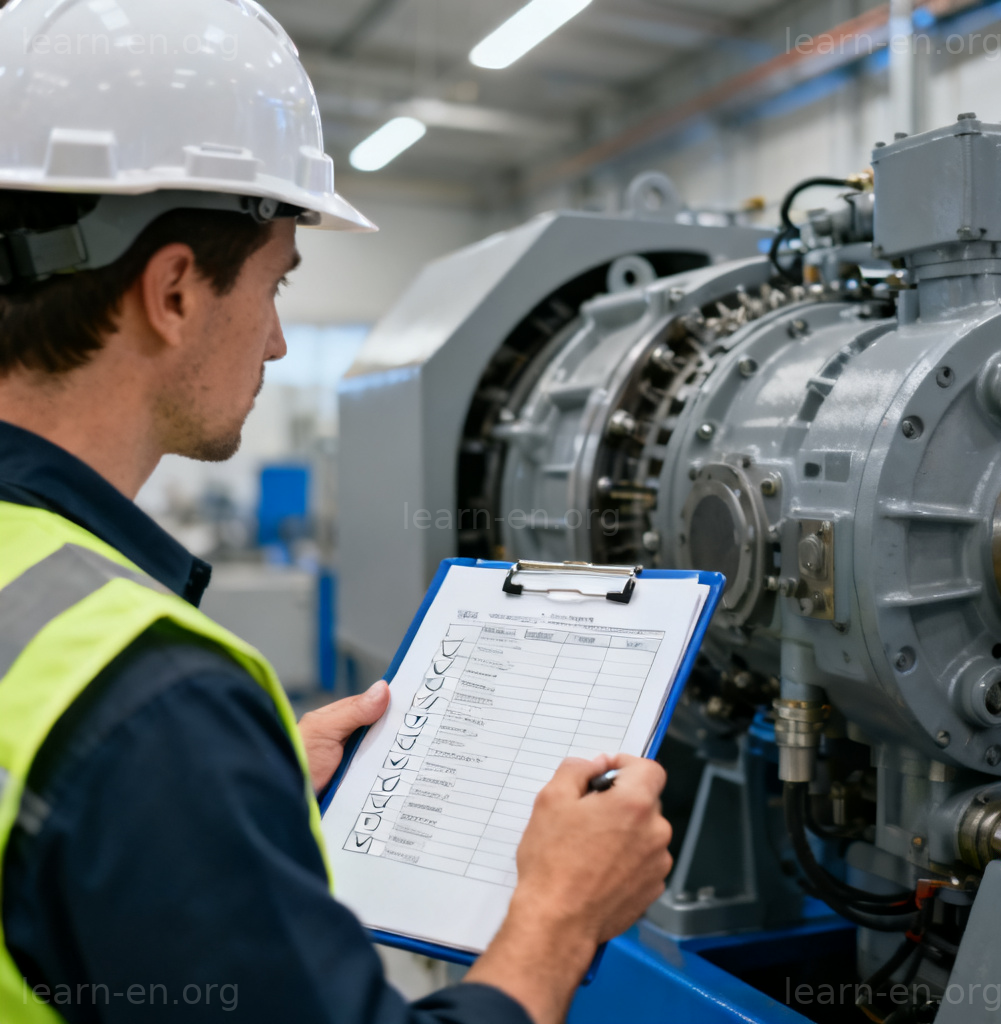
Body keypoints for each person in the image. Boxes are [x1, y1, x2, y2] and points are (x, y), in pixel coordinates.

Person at [0, 2, 673, 1023]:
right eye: (275, 284)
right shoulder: (150, 704)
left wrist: (230, 786)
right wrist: (558, 915)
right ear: (174, 290)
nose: (275, 342)